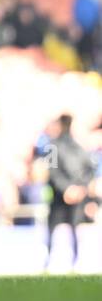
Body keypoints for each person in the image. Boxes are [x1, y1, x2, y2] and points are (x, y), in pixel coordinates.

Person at [44, 114, 96, 270]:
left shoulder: (51, 147)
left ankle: (71, 262)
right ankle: (65, 262)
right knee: (63, 229)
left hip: (66, 196)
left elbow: (51, 172)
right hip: (66, 195)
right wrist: (75, 189)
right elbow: (90, 171)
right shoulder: (74, 147)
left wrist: (73, 189)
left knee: (60, 229)